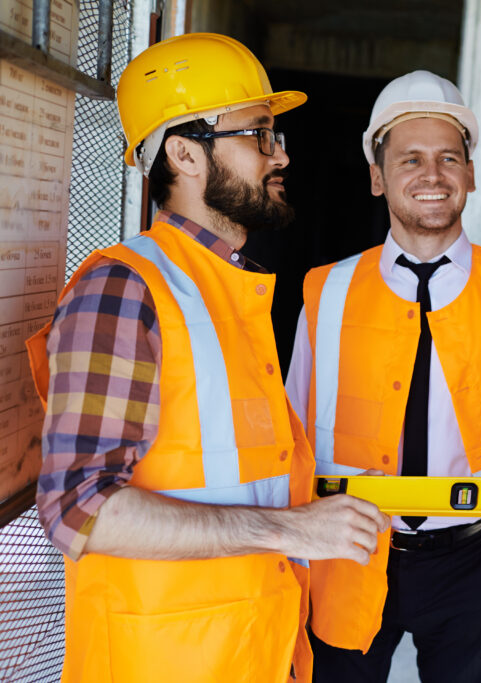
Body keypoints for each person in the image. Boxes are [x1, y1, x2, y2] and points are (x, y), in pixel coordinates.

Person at [25, 32, 389, 683]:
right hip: (162, 661)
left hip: (247, 652)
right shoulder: (124, 289)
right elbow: (79, 506)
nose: (279, 155)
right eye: (258, 134)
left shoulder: (229, 291)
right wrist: (291, 531)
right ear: (186, 154)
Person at [284, 70, 481, 683]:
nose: (432, 176)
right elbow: (295, 432)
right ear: (377, 177)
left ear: (471, 174)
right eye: (409, 160)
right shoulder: (326, 292)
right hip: (350, 551)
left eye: (448, 158)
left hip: (478, 557)